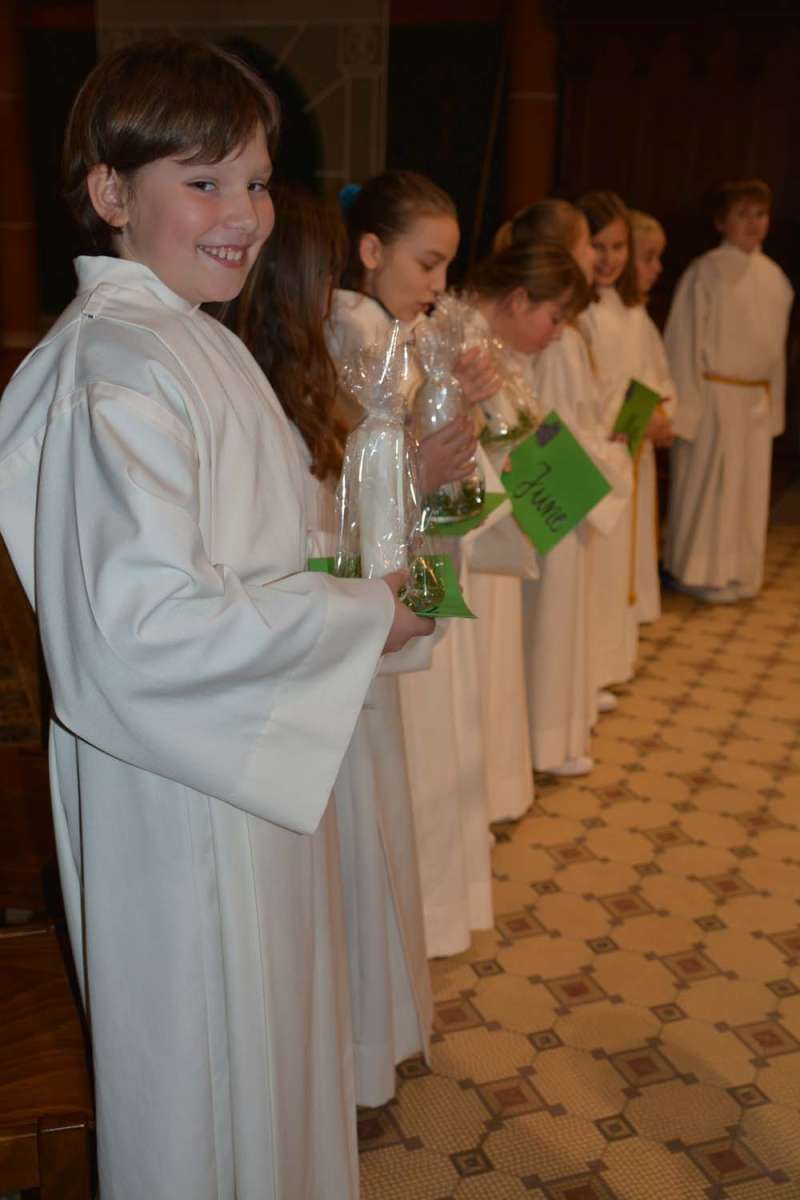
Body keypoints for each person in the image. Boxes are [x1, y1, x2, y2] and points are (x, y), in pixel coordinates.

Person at [0, 39, 432, 1200]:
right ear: (110, 191)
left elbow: (258, 550)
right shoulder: (116, 370)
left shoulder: (187, 337)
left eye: (255, 180)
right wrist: (355, 618)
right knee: (210, 1093)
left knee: (267, 1069)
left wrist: (366, 590)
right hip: (181, 805)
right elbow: (138, 639)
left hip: (240, 776)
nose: (242, 214)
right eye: (203, 182)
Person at [232, 184, 433, 1109]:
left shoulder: (304, 386)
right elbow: (288, 552)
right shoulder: (259, 397)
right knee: (341, 863)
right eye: (321, 283)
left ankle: (368, 1044)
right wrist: (369, 600)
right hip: (319, 659)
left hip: (348, 633)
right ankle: (349, 1056)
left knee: (367, 849)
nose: (333, 302)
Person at [329, 169, 507, 957]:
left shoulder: (403, 335)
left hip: (425, 551)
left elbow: (438, 450)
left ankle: (430, 914)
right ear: (370, 250)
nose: (438, 285)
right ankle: (408, 926)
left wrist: (460, 396)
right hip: (383, 573)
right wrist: (420, 465)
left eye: (446, 267)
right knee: (405, 748)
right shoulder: (350, 333)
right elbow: (339, 478)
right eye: (426, 264)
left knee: (434, 738)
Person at [498, 200, 631, 777]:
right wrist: (607, 459)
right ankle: (544, 742)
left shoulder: (565, 331)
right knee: (547, 622)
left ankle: (557, 735)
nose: (595, 258)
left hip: (567, 482)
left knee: (561, 618)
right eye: (586, 246)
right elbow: (553, 423)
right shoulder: (557, 337)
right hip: (554, 488)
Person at [461, 240, 585, 815]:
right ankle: (476, 802)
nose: (557, 334)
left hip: (503, 531)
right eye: (553, 317)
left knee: (498, 665)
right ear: (516, 299)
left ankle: (492, 794)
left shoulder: (501, 350)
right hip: (474, 536)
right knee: (477, 671)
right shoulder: (463, 346)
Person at [663, 178, 793, 601]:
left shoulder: (775, 278)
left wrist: (774, 406)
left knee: (747, 493)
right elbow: (683, 342)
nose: (753, 223)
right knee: (709, 488)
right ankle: (697, 571)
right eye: (742, 214)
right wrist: (687, 410)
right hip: (713, 395)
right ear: (721, 221)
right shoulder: (706, 272)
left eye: (761, 214)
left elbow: (775, 352)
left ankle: (740, 572)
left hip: (754, 400)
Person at [576, 190, 641, 699]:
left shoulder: (623, 306)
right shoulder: (580, 312)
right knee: (591, 573)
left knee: (613, 568)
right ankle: (587, 674)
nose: (608, 258)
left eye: (618, 247)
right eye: (598, 246)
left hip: (620, 449)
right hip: (593, 449)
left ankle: (606, 667)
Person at [630, 210, 677, 622]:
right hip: (620, 449)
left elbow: (661, 379)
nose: (657, 268)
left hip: (639, 448)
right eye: (648, 257)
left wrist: (663, 415)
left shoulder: (640, 318)